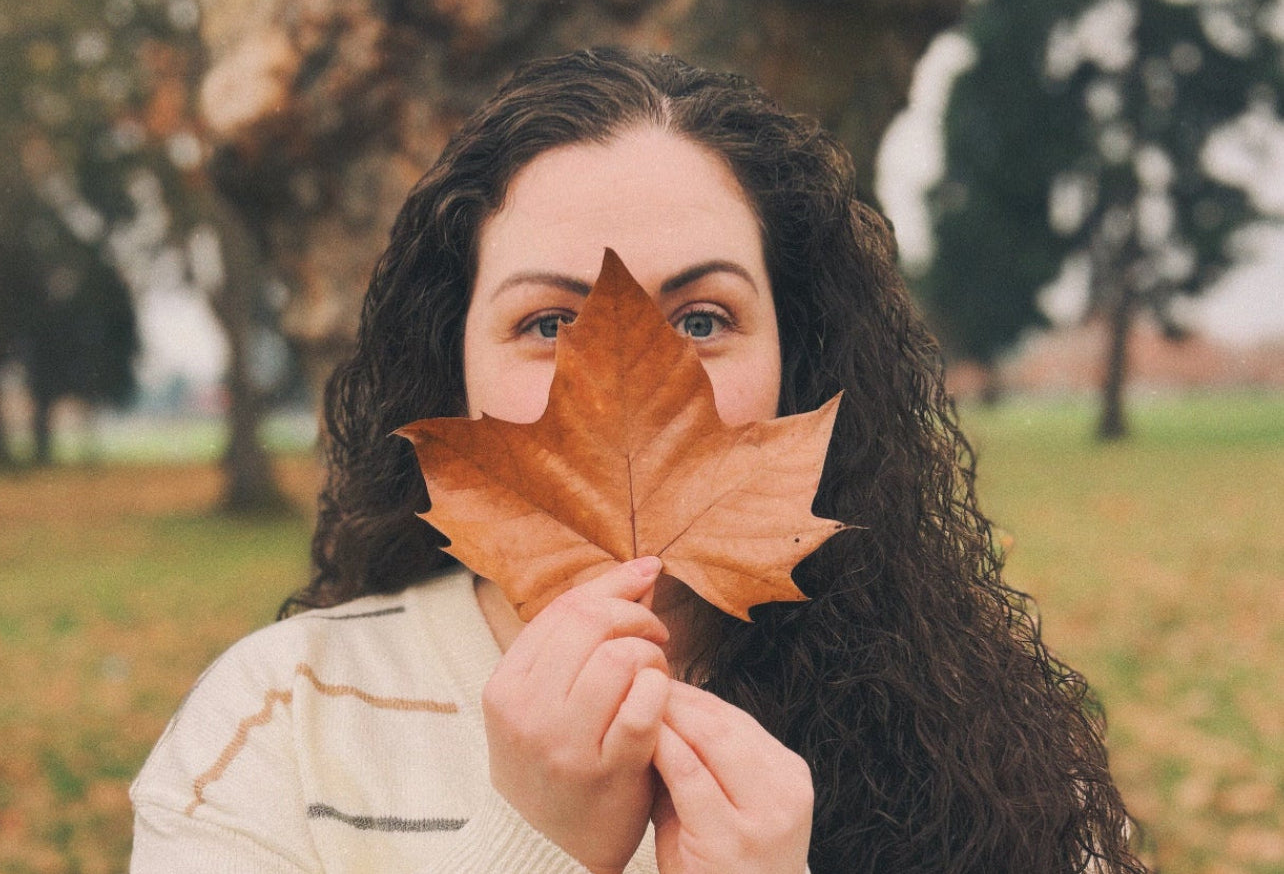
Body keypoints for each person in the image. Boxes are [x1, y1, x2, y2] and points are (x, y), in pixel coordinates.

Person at [130, 47, 1148, 873]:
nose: (630, 372)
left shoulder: (979, 751)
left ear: (801, 358)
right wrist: (540, 847)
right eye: (545, 322)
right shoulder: (278, 721)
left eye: (704, 317)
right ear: (455, 368)